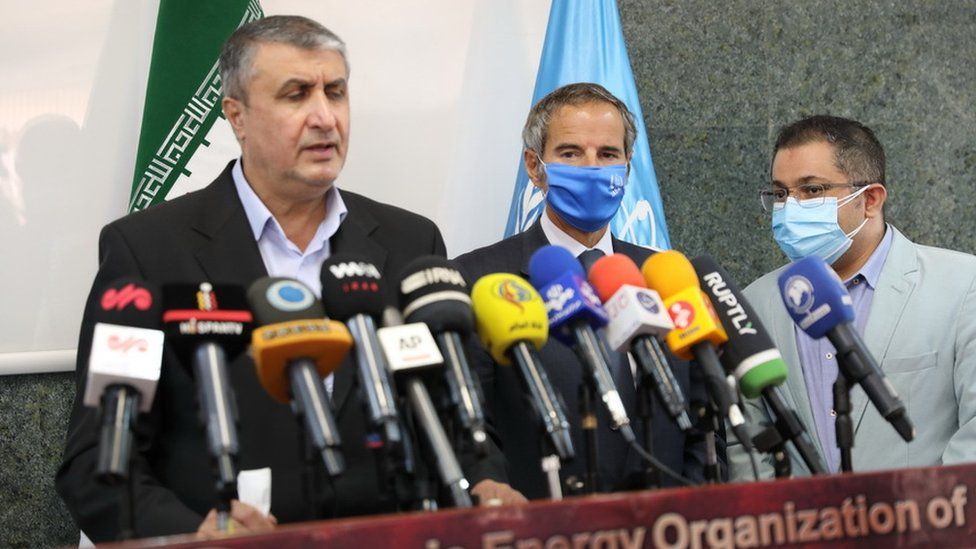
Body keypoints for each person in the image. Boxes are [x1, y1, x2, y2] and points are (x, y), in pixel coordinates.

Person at [56, 15, 521, 542]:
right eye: (296, 95)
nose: (325, 117)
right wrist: (191, 535)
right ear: (237, 116)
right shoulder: (151, 251)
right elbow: (97, 461)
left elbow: (452, 413)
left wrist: (485, 480)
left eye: (336, 92)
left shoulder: (410, 242)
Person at [455, 83, 715, 499]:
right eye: (571, 153)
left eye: (608, 154)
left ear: (628, 167)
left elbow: (704, 425)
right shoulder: (477, 278)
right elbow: (471, 423)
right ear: (535, 166)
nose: (592, 168)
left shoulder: (668, 275)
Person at [729, 115, 976, 479]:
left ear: (871, 199)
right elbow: (748, 445)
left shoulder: (962, 284)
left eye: (812, 190)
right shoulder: (755, 302)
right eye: (780, 193)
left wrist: (932, 523)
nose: (789, 208)